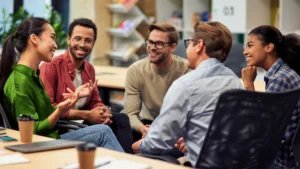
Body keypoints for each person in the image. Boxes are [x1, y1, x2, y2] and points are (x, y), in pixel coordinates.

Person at [0, 17, 123, 152]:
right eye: (52, 38)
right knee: (103, 132)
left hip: (52, 138)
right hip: (42, 144)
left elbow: (45, 113)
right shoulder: (20, 82)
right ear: (34, 39)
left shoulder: (32, 75)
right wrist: (60, 110)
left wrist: (69, 102)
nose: (56, 45)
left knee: (113, 123)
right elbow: (33, 131)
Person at [131, 21, 244, 167]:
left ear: (199, 45)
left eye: (189, 43)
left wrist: (137, 146)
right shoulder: (234, 82)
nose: (186, 49)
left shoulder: (185, 85)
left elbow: (159, 140)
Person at [39, 18, 133, 153]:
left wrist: (102, 112)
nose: (82, 44)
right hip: (61, 129)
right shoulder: (51, 66)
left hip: (82, 123)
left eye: (88, 40)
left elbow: (96, 101)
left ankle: (130, 159)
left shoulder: (89, 68)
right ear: (69, 39)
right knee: (106, 131)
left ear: (93, 43)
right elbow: (49, 110)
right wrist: (88, 115)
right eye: (77, 39)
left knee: (121, 118)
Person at [242, 25, 300, 168]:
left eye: (250, 45)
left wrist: (249, 85)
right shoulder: (284, 72)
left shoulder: (280, 79)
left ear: (269, 47)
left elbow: (261, 132)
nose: (245, 52)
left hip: (280, 162)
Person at [124, 23, 190, 140]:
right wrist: (142, 128)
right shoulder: (135, 70)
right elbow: (130, 114)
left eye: (159, 43)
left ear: (173, 47)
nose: (152, 47)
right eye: (150, 42)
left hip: (177, 126)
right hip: (148, 123)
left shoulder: (187, 70)